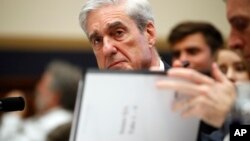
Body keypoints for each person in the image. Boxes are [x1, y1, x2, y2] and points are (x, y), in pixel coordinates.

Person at [1, 60, 82, 141]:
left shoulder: (60, 123)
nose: (37, 88)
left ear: (55, 96)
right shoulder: (47, 118)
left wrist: (13, 115)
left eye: (42, 84)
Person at [79, 0, 170, 71]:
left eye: (118, 33)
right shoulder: (90, 94)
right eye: (97, 40)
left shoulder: (182, 92)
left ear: (149, 34)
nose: (107, 49)